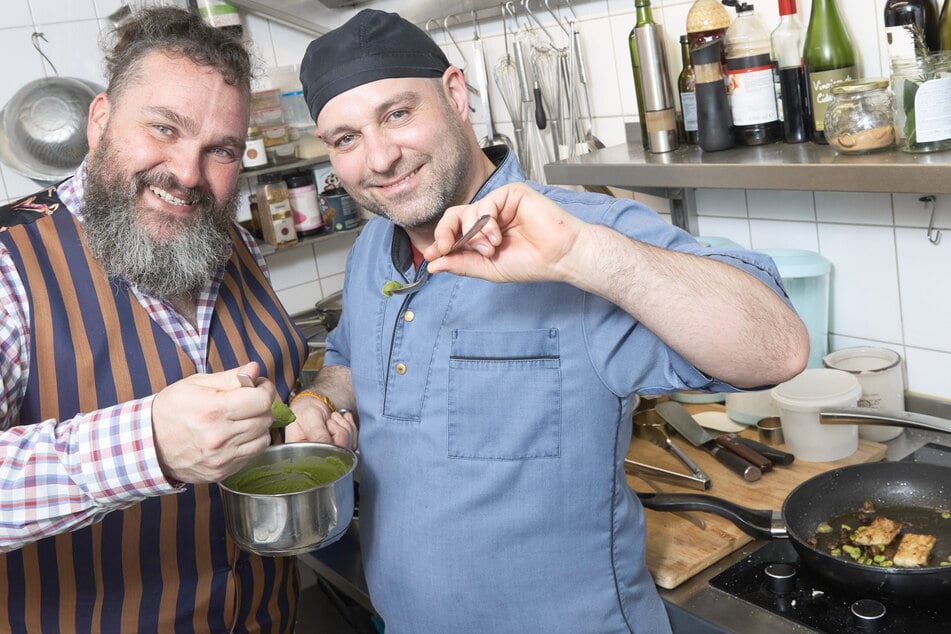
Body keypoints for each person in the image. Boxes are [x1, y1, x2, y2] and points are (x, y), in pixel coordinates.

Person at [291, 9, 809, 633]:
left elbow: (775, 349)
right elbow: (352, 358)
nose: (379, 158)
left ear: (456, 96)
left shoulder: (575, 234)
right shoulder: (374, 246)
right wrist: (322, 397)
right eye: (345, 138)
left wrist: (583, 257)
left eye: (397, 113)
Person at [0, 7, 354, 631]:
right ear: (101, 120)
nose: (188, 174)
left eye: (219, 149)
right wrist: (150, 446)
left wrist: (303, 412)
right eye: (164, 128)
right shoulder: (10, 264)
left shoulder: (233, 245)